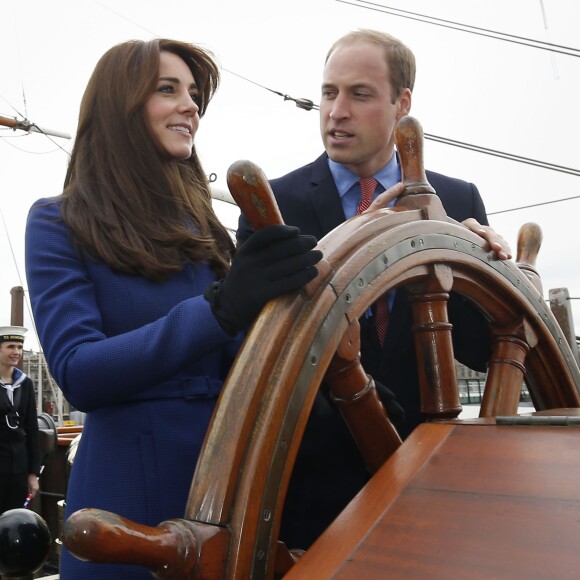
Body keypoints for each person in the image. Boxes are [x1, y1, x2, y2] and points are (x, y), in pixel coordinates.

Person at [25, 38, 322, 579]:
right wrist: (220, 311)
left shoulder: (207, 231)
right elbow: (79, 372)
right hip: (126, 510)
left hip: (231, 498)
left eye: (194, 95)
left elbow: (249, 363)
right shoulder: (57, 223)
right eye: (169, 90)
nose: (191, 106)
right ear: (120, 106)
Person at [237, 28, 512, 550]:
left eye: (359, 94)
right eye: (328, 93)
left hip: (433, 478)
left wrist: (487, 265)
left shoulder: (456, 200)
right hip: (312, 497)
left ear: (401, 103)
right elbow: (252, 355)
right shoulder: (272, 205)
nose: (336, 111)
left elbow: (484, 350)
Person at [0, 326, 40, 514]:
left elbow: (32, 429)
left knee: (14, 520)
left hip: (18, 470)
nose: (16, 352)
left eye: (19, 347)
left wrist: (33, 474)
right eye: (10, 347)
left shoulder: (25, 384)